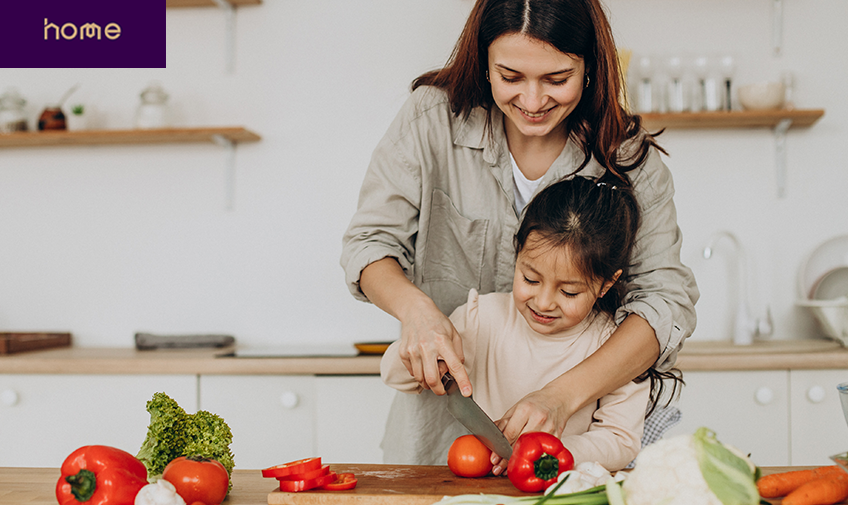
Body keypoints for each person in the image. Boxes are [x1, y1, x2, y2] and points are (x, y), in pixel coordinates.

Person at [340, 0, 699, 470]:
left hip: (566, 455)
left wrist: (561, 397)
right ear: (483, 63)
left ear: (590, 67)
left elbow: (665, 304)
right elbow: (370, 243)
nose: (532, 102)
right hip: (433, 442)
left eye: (557, 79)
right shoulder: (432, 118)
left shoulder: (627, 159)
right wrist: (417, 313)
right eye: (510, 77)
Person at [381, 175, 682, 471]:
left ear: (606, 285)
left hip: (561, 489)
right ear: (518, 254)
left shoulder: (618, 346)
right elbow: (394, 375)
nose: (543, 302)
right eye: (530, 279)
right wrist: (419, 350)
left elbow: (620, 441)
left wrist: (552, 454)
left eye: (569, 291)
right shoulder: (480, 317)